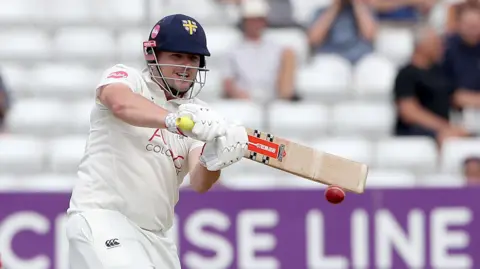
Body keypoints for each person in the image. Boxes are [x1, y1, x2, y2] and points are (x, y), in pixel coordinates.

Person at [65, 14, 248, 269]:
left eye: (193, 58)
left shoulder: (198, 112)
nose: (186, 66)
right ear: (153, 55)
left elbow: (199, 182)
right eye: (177, 56)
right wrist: (175, 121)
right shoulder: (129, 79)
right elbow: (119, 102)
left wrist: (216, 158)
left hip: (157, 237)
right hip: (103, 218)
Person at [392, 25, 470, 146]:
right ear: (422, 46)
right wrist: (444, 127)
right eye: (437, 43)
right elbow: (408, 111)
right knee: (449, 139)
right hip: (416, 132)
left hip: (443, 129)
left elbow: (457, 97)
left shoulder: (440, 72)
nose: (442, 47)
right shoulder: (406, 74)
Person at [222, 0, 298, 101]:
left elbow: (286, 87)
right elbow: (228, 82)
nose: (256, 24)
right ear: (245, 21)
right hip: (243, 102)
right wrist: (242, 97)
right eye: (252, 20)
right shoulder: (232, 50)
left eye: (259, 19)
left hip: (274, 102)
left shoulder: (278, 49)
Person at [307, 0, 378, 64]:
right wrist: (335, 7)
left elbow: (370, 35)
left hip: (361, 58)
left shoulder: (366, 10)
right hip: (332, 58)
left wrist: (357, 4)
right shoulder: (321, 11)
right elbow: (314, 40)